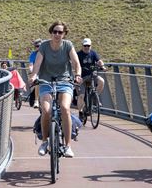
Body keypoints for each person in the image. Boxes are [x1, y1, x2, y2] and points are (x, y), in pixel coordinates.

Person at [28, 21, 82, 158]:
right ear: (51, 33)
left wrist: (78, 75)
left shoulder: (68, 45)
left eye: (60, 32)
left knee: (65, 108)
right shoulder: (45, 46)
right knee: (46, 110)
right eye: (55, 32)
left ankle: (68, 145)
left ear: (64, 34)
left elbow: (76, 63)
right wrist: (34, 76)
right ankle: (45, 141)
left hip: (64, 81)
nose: (57, 34)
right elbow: (38, 63)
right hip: (46, 81)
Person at [76, 38, 106, 117]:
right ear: (82, 46)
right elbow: (74, 63)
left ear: (91, 46)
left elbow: (99, 61)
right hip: (81, 77)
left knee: (101, 81)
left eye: (88, 46)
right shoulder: (78, 54)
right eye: (85, 45)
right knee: (81, 96)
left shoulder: (93, 53)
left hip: (92, 76)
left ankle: (94, 97)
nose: (86, 47)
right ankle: (80, 112)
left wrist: (102, 66)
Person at [28, 39, 42, 108]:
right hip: (36, 72)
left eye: (39, 46)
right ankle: (36, 100)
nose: (38, 48)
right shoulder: (33, 54)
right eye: (36, 46)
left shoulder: (45, 53)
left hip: (45, 71)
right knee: (37, 82)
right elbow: (31, 64)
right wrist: (31, 70)